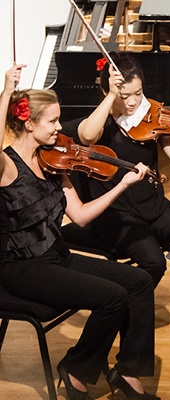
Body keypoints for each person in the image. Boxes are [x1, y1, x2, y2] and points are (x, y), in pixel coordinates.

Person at [0, 64, 158, 400]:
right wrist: (5, 92)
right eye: (52, 122)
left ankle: (128, 371)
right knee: (112, 298)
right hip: (21, 267)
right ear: (29, 124)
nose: (60, 128)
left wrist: (123, 184)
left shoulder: (54, 163)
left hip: (56, 255)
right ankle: (75, 370)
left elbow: (82, 217)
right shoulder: (7, 166)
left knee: (140, 281)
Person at [60, 53, 170, 338]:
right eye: (124, 95)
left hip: (153, 203)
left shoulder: (151, 116)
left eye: (138, 93)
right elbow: (88, 136)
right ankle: (121, 307)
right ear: (107, 91)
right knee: (154, 262)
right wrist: (110, 96)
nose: (133, 102)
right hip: (117, 213)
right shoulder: (97, 123)